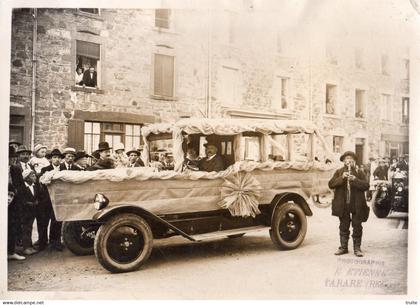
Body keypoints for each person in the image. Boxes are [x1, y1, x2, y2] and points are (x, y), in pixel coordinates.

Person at [328, 151, 370, 257]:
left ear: (354, 161)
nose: (349, 160)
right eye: (347, 159)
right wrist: (342, 177)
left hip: (356, 204)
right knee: (343, 225)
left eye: (351, 159)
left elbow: (366, 186)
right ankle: (343, 247)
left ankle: (357, 248)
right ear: (343, 161)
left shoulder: (359, 172)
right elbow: (331, 184)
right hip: (343, 204)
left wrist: (355, 179)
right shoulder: (339, 172)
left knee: (357, 226)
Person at [38, 149, 64, 251]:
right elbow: (42, 183)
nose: (57, 159)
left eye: (58, 157)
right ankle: (42, 243)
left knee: (56, 222)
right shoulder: (45, 169)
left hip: (58, 199)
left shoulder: (63, 170)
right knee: (44, 222)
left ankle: (55, 243)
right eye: (54, 157)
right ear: (51, 159)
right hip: (46, 200)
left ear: (61, 159)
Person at [10, 145, 34, 248]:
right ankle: (18, 244)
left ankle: (26, 244)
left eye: (27, 154)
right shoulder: (16, 166)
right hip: (17, 199)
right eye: (23, 154)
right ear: (18, 156)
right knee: (19, 223)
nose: (25, 156)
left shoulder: (31, 166)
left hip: (28, 198)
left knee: (27, 223)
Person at [8, 146, 26, 260]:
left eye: (13, 157)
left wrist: (14, 194)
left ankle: (10, 252)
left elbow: (21, 186)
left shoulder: (16, 169)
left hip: (13, 203)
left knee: (12, 227)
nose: (12, 160)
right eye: (10, 157)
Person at [20, 169, 40, 256]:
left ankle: (30, 246)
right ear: (26, 178)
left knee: (30, 228)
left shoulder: (35, 186)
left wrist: (36, 201)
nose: (35, 177)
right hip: (25, 212)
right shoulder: (22, 188)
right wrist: (29, 203)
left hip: (32, 212)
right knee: (25, 229)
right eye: (32, 176)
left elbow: (36, 196)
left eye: (35, 175)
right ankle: (26, 247)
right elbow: (21, 200)